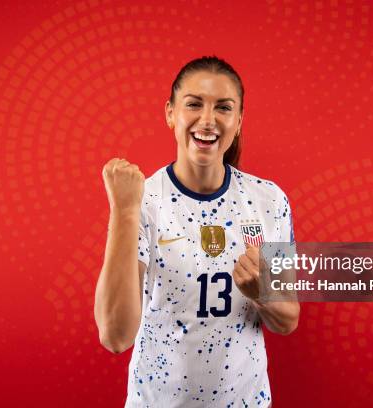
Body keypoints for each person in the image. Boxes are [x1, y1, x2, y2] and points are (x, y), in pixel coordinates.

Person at [94, 55, 300, 407]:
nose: (208, 120)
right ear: (170, 113)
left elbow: (287, 319)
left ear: (238, 120)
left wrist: (262, 292)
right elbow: (115, 336)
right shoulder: (144, 201)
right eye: (194, 104)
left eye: (223, 107)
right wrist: (125, 211)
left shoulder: (269, 201)